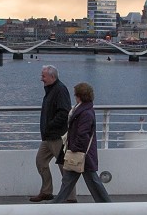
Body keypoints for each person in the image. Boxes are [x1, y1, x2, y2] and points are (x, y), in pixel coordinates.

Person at [51, 81, 112, 203]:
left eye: (75, 94)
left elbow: (83, 134)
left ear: (79, 96)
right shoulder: (85, 110)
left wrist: (74, 148)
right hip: (82, 153)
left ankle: (107, 205)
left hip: (81, 153)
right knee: (73, 180)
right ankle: (57, 202)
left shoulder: (84, 113)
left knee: (89, 180)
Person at [30, 65, 70, 201]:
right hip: (48, 136)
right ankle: (47, 191)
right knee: (40, 161)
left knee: (64, 167)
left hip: (57, 136)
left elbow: (64, 112)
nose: (41, 79)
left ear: (52, 77)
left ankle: (70, 197)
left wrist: (50, 125)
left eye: (43, 76)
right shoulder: (51, 90)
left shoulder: (60, 90)